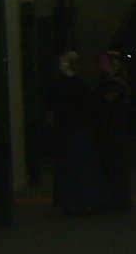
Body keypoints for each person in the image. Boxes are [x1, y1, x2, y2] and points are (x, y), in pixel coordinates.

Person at [44, 51, 106, 215]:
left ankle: (69, 201)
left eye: (63, 62)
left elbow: (48, 103)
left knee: (66, 167)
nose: (60, 65)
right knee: (82, 166)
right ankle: (85, 200)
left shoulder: (58, 84)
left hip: (64, 129)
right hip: (79, 129)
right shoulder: (80, 84)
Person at [96, 52, 132, 212]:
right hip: (115, 129)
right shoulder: (118, 82)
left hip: (112, 130)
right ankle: (117, 200)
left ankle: (115, 200)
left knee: (113, 165)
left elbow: (105, 101)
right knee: (115, 165)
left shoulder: (114, 84)